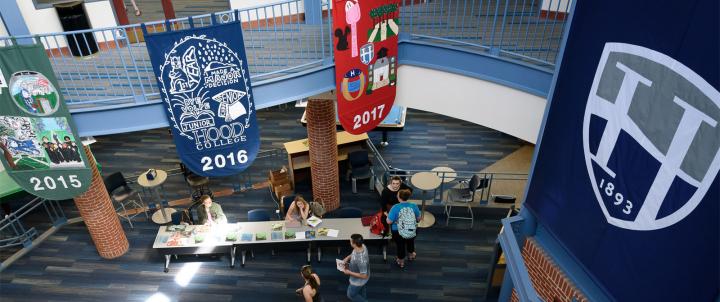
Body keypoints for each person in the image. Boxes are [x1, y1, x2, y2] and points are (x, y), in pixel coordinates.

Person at [386, 189, 421, 268]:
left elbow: (389, 222)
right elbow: (418, 219)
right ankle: (411, 255)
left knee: (400, 245)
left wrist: (389, 217)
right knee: (410, 241)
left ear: (398, 197)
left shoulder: (395, 207)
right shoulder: (414, 205)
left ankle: (401, 261)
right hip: (412, 230)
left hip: (397, 231)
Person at [342, 234, 370, 302]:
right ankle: (364, 297)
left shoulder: (361, 260)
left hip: (358, 281)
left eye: (350, 241)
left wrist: (349, 272)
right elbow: (354, 253)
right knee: (362, 289)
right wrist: (348, 257)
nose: (350, 242)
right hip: (362, 279)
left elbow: (364, 275)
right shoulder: (362, 246)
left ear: (354, 244)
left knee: (350, 295)